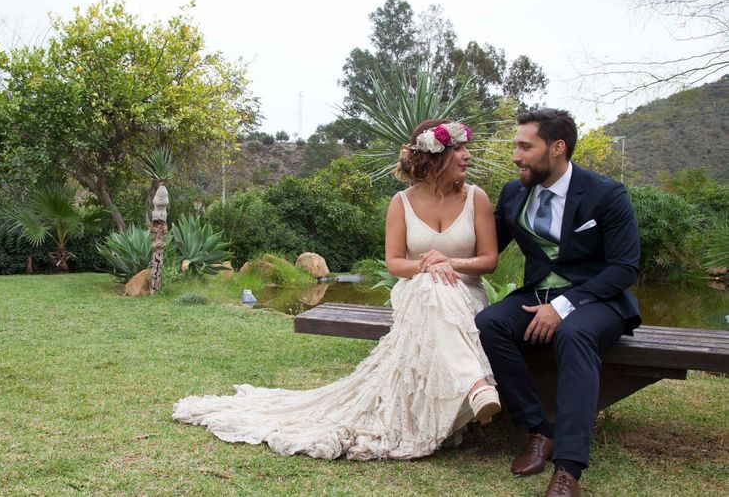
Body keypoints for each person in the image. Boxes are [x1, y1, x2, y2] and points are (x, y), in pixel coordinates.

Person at [172, 119, 501, 460]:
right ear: (437, 156)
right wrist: (426, 266)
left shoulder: (476, 198)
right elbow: (395, 264)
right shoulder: (401, 203)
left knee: (437, 291)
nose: (468, 155)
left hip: (464, 292)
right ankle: (476, 385)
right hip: (417, 292)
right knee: (429, 288)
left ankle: (473, 387)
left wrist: (449, 262)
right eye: (459, 149)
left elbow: (488, 260)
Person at [474, 109, 641, 497]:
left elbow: (624, 268)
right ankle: (538, 430)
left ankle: (568, 468)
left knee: (574, 334)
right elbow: (486, 247)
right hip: (537, 293)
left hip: (597, 297)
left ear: (557, 147)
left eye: (524, 146)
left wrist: (564, 306)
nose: (515, 156)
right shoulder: (514, 192)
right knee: (489, 323)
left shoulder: (606, 194)